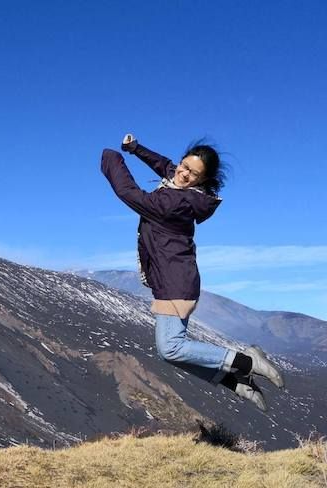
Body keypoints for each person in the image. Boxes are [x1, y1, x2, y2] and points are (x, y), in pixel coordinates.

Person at [100, 134, 284, 411]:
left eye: (192, 174)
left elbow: (129, 193)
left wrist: (111, 158)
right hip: (168, 280)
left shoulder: (178, 203)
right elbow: (164, 165)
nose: (183, 174)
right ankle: (234, 382)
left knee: (171, 348)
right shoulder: (177, 179)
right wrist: (135, 149)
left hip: (177, 282)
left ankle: (247, 361)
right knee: (171, 353)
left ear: (202, 181)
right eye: (184, 166)